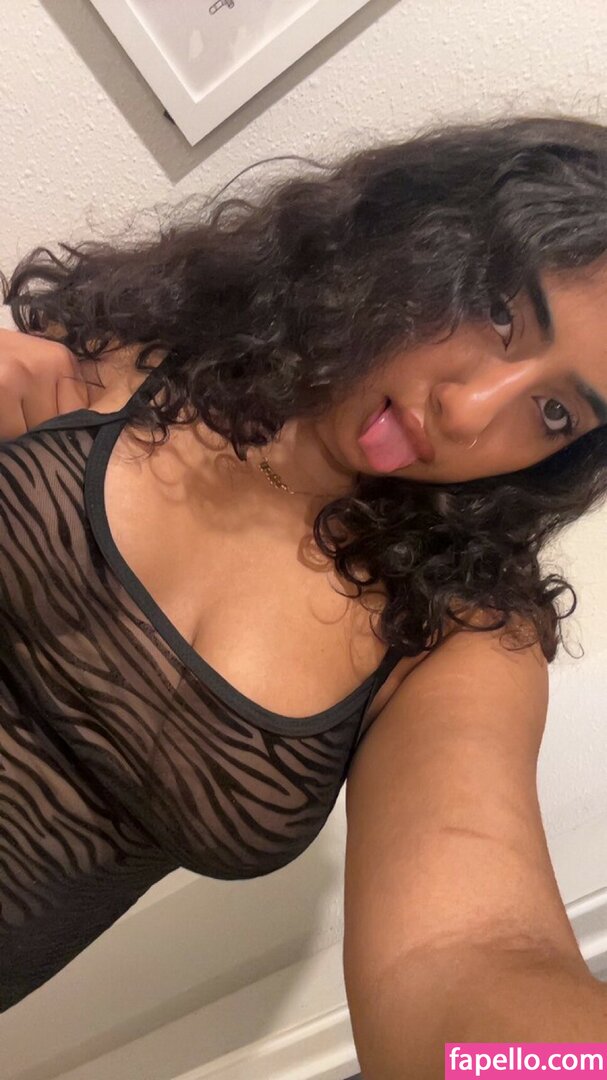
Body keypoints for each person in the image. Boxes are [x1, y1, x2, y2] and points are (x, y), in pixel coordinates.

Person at [1, 115, 607, 1072]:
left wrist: (558, 1065)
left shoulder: (453, 632)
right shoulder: (110, 358)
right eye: (497, 311)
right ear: (430, 230)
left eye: (553, 410)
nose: (467, 412)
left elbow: (466, 953)